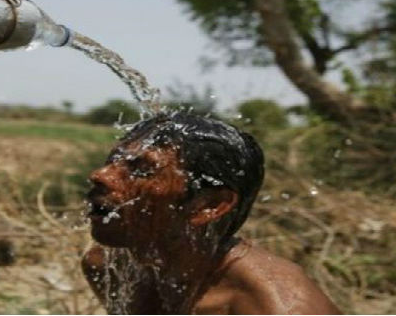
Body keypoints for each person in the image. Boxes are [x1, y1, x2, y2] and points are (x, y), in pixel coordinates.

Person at [82, 111, 340, 314]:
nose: (100, 175)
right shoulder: (110, 266)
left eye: (142, 168)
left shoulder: (276, 307)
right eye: (114, 160)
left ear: (209, 206)